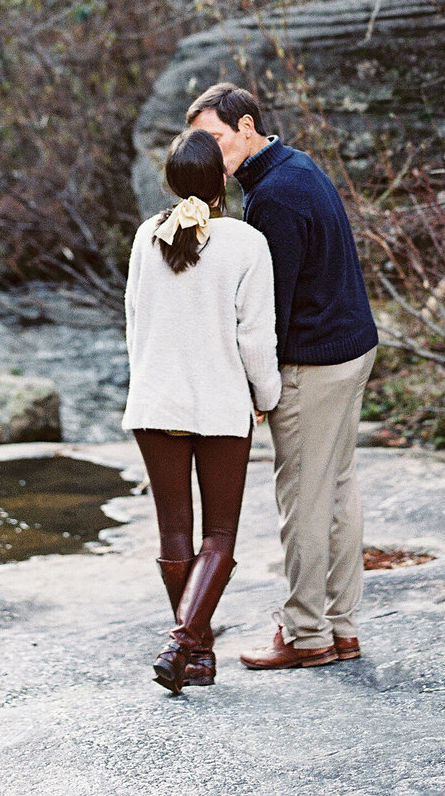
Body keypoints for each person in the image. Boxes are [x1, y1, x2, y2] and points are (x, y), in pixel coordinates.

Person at [187, 83, 379, 671]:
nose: (209, 152)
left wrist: (259, 390)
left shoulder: (272, 199)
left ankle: (305, 635)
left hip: (316, 364)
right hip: (352, 348)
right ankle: (340, 630)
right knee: (338, 489)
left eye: (215, 139)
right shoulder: (297, 165)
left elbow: (269, 310)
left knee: (302, 498)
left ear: (246, 128)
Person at [123, 126, 282, 694]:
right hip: (220, 406)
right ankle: (183, 643)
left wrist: (145, 387)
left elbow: (134, 325)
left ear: (169, 182)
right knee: (219, 534)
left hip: (154, 404)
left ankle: (199, 653)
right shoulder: (246, 243)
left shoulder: (148, 236)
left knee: (174, 534)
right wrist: (267, 398)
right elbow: (256, 339)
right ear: (223, 178)